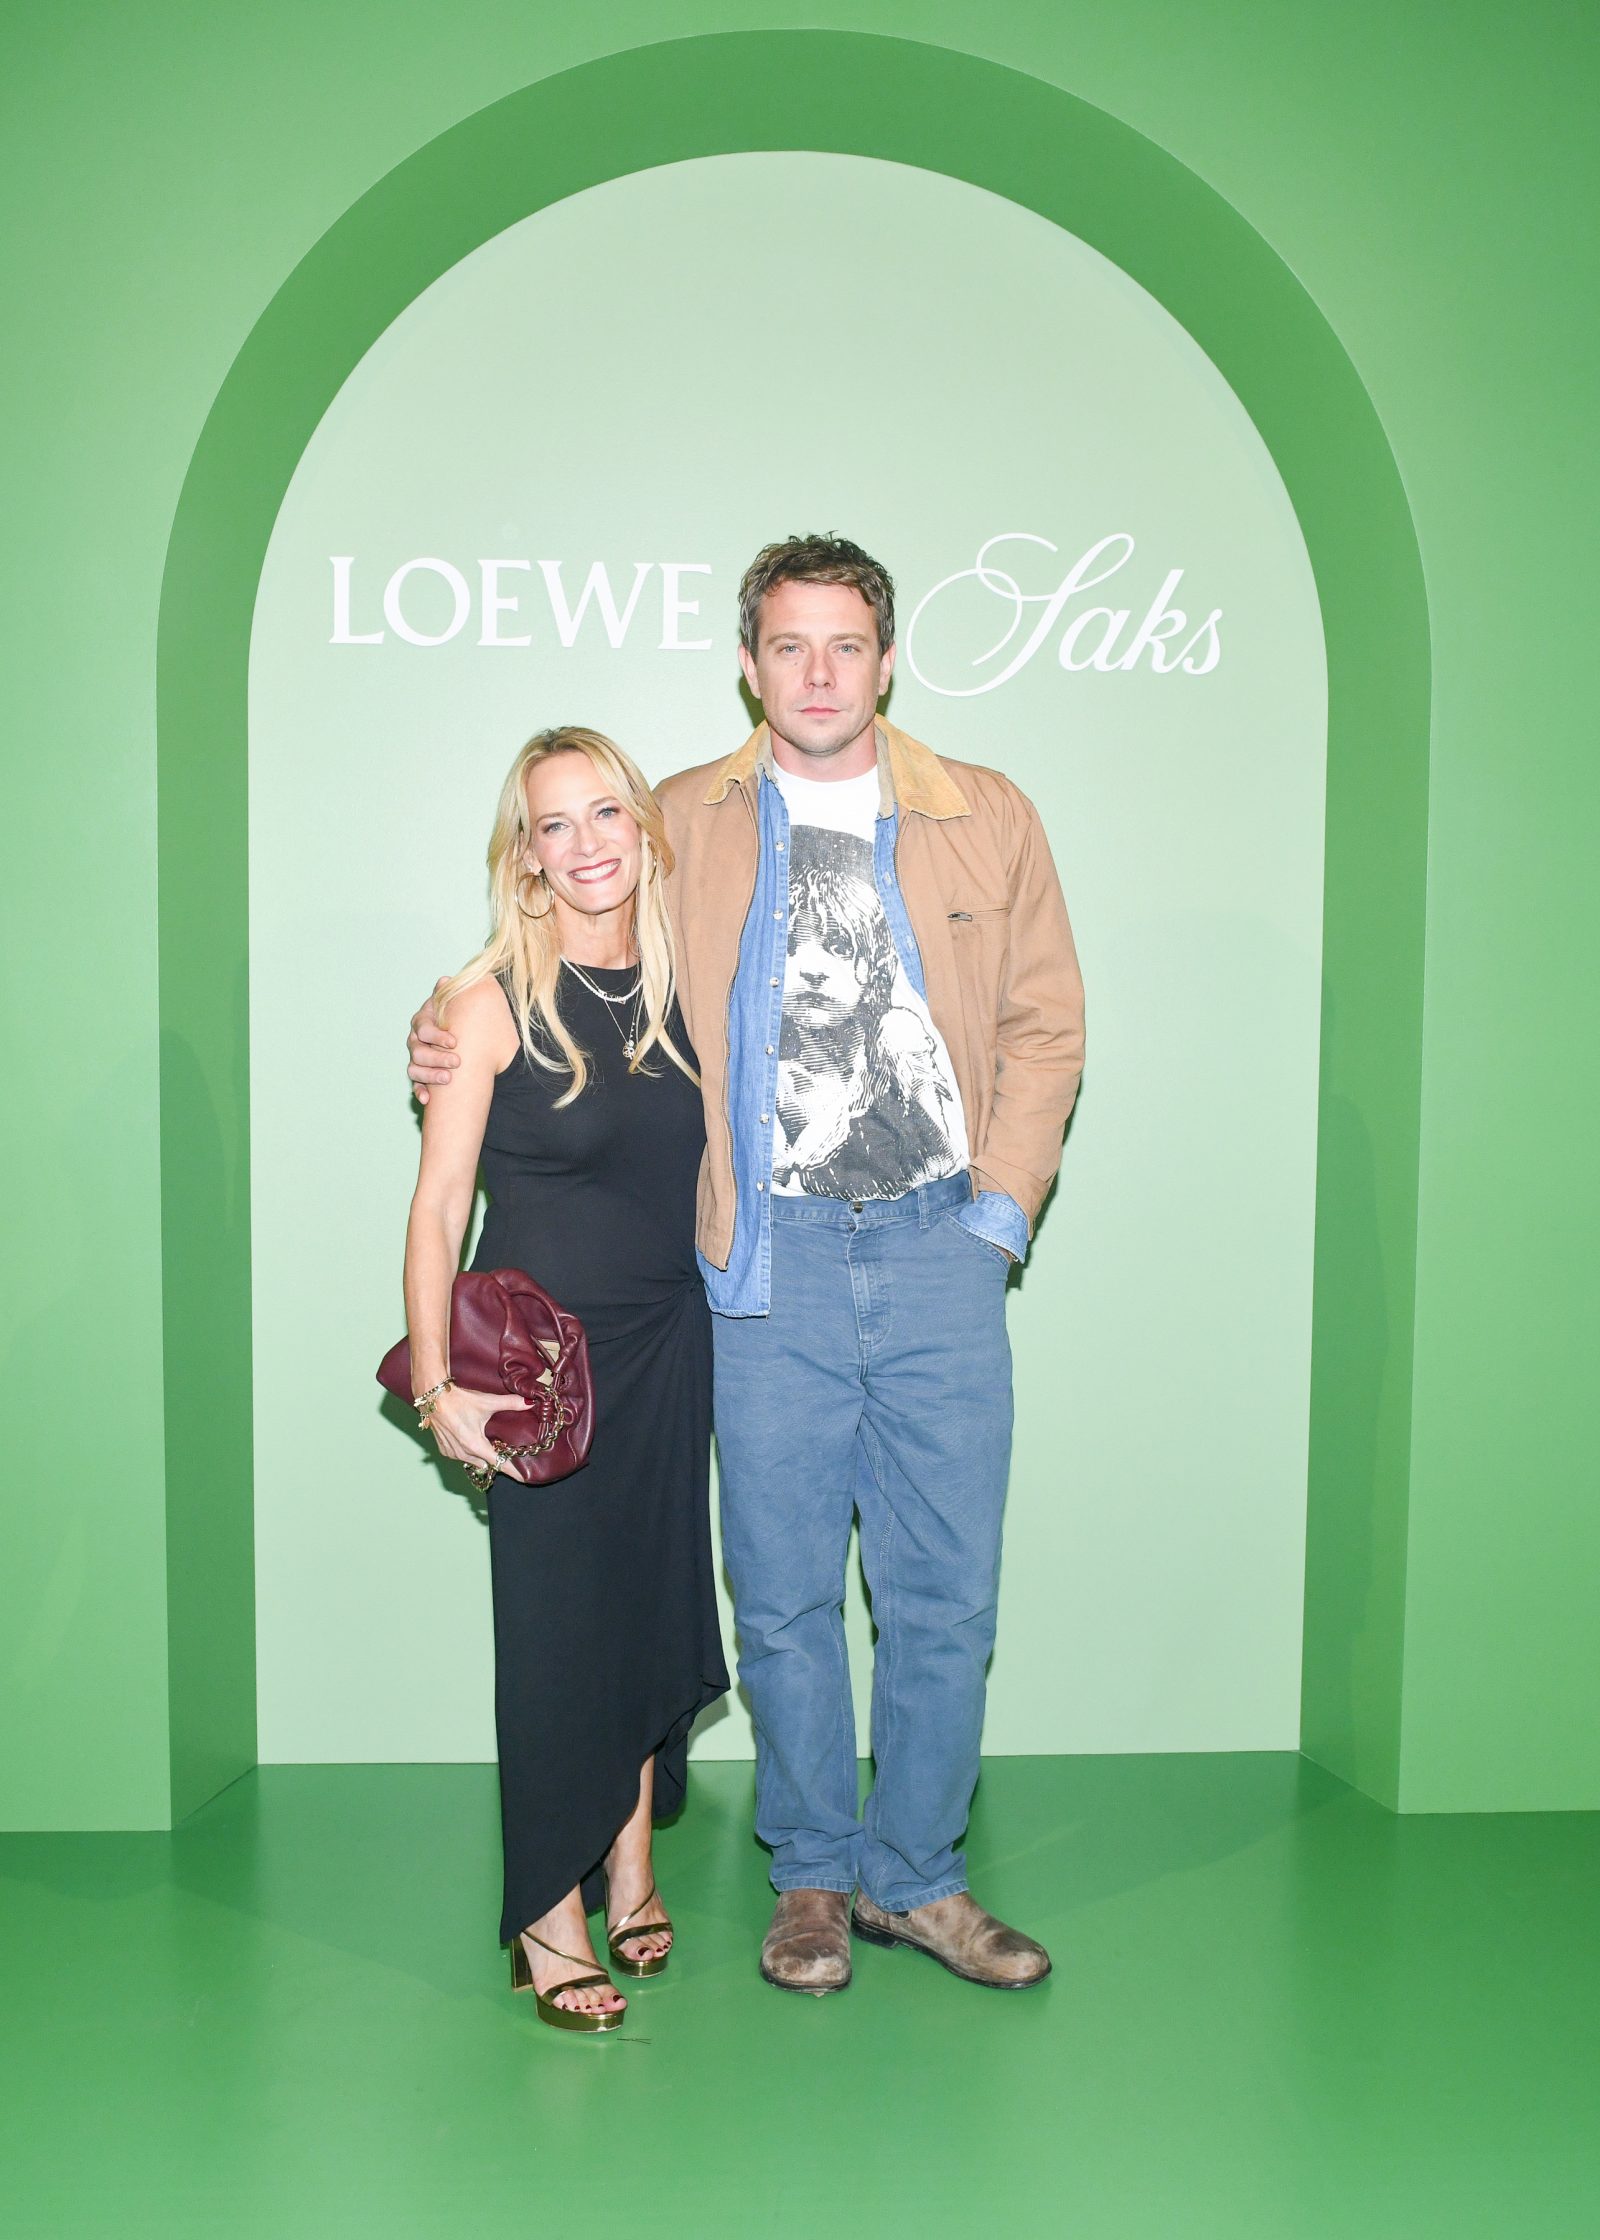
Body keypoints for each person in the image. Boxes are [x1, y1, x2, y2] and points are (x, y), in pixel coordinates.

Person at [411, 539, 1084, 1997]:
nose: (819, 673)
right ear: (749, 663)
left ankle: (920, 1879)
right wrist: (452, 1011)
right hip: (764, 1261)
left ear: (887, 660)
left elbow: (1046, 1026)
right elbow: (567, 922)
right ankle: (815, 1881)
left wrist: (997, 1214)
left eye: (846, 645)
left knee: (944, 1595)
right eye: (790, 646)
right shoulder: (678, 820)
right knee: (779, 1597)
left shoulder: (989, 814)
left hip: (937, 1246)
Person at [402, 725, 728, 2033]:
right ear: (524, 857)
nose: (586, 843)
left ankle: (633, 1866)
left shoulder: (692, 979)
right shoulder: (486, 1005)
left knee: (650, 1614)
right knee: (554, 1640)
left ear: (644, 829)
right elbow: (437, 1209)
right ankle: (548, 1913)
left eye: (606, 813)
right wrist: (438, 1388)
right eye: (554, 823)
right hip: (542, 1373)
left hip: (670, 1349)